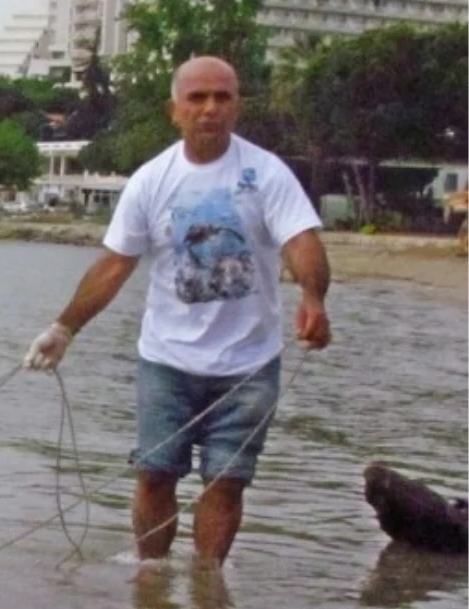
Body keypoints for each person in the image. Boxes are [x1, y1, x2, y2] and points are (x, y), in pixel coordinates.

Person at [23, 56, 332, 567]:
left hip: (249, 364)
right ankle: (153, 583)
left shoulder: (267, 173)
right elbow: (115, 265)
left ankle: (208, 584)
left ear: (237, 107)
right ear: (175, 110)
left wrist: (314, 298)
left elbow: (301, 241)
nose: (210, 108)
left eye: (222, 97)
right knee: (155, 472)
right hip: (166, 360)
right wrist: (64, 328)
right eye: (197, 98)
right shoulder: (151, 180)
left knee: (227, 481)